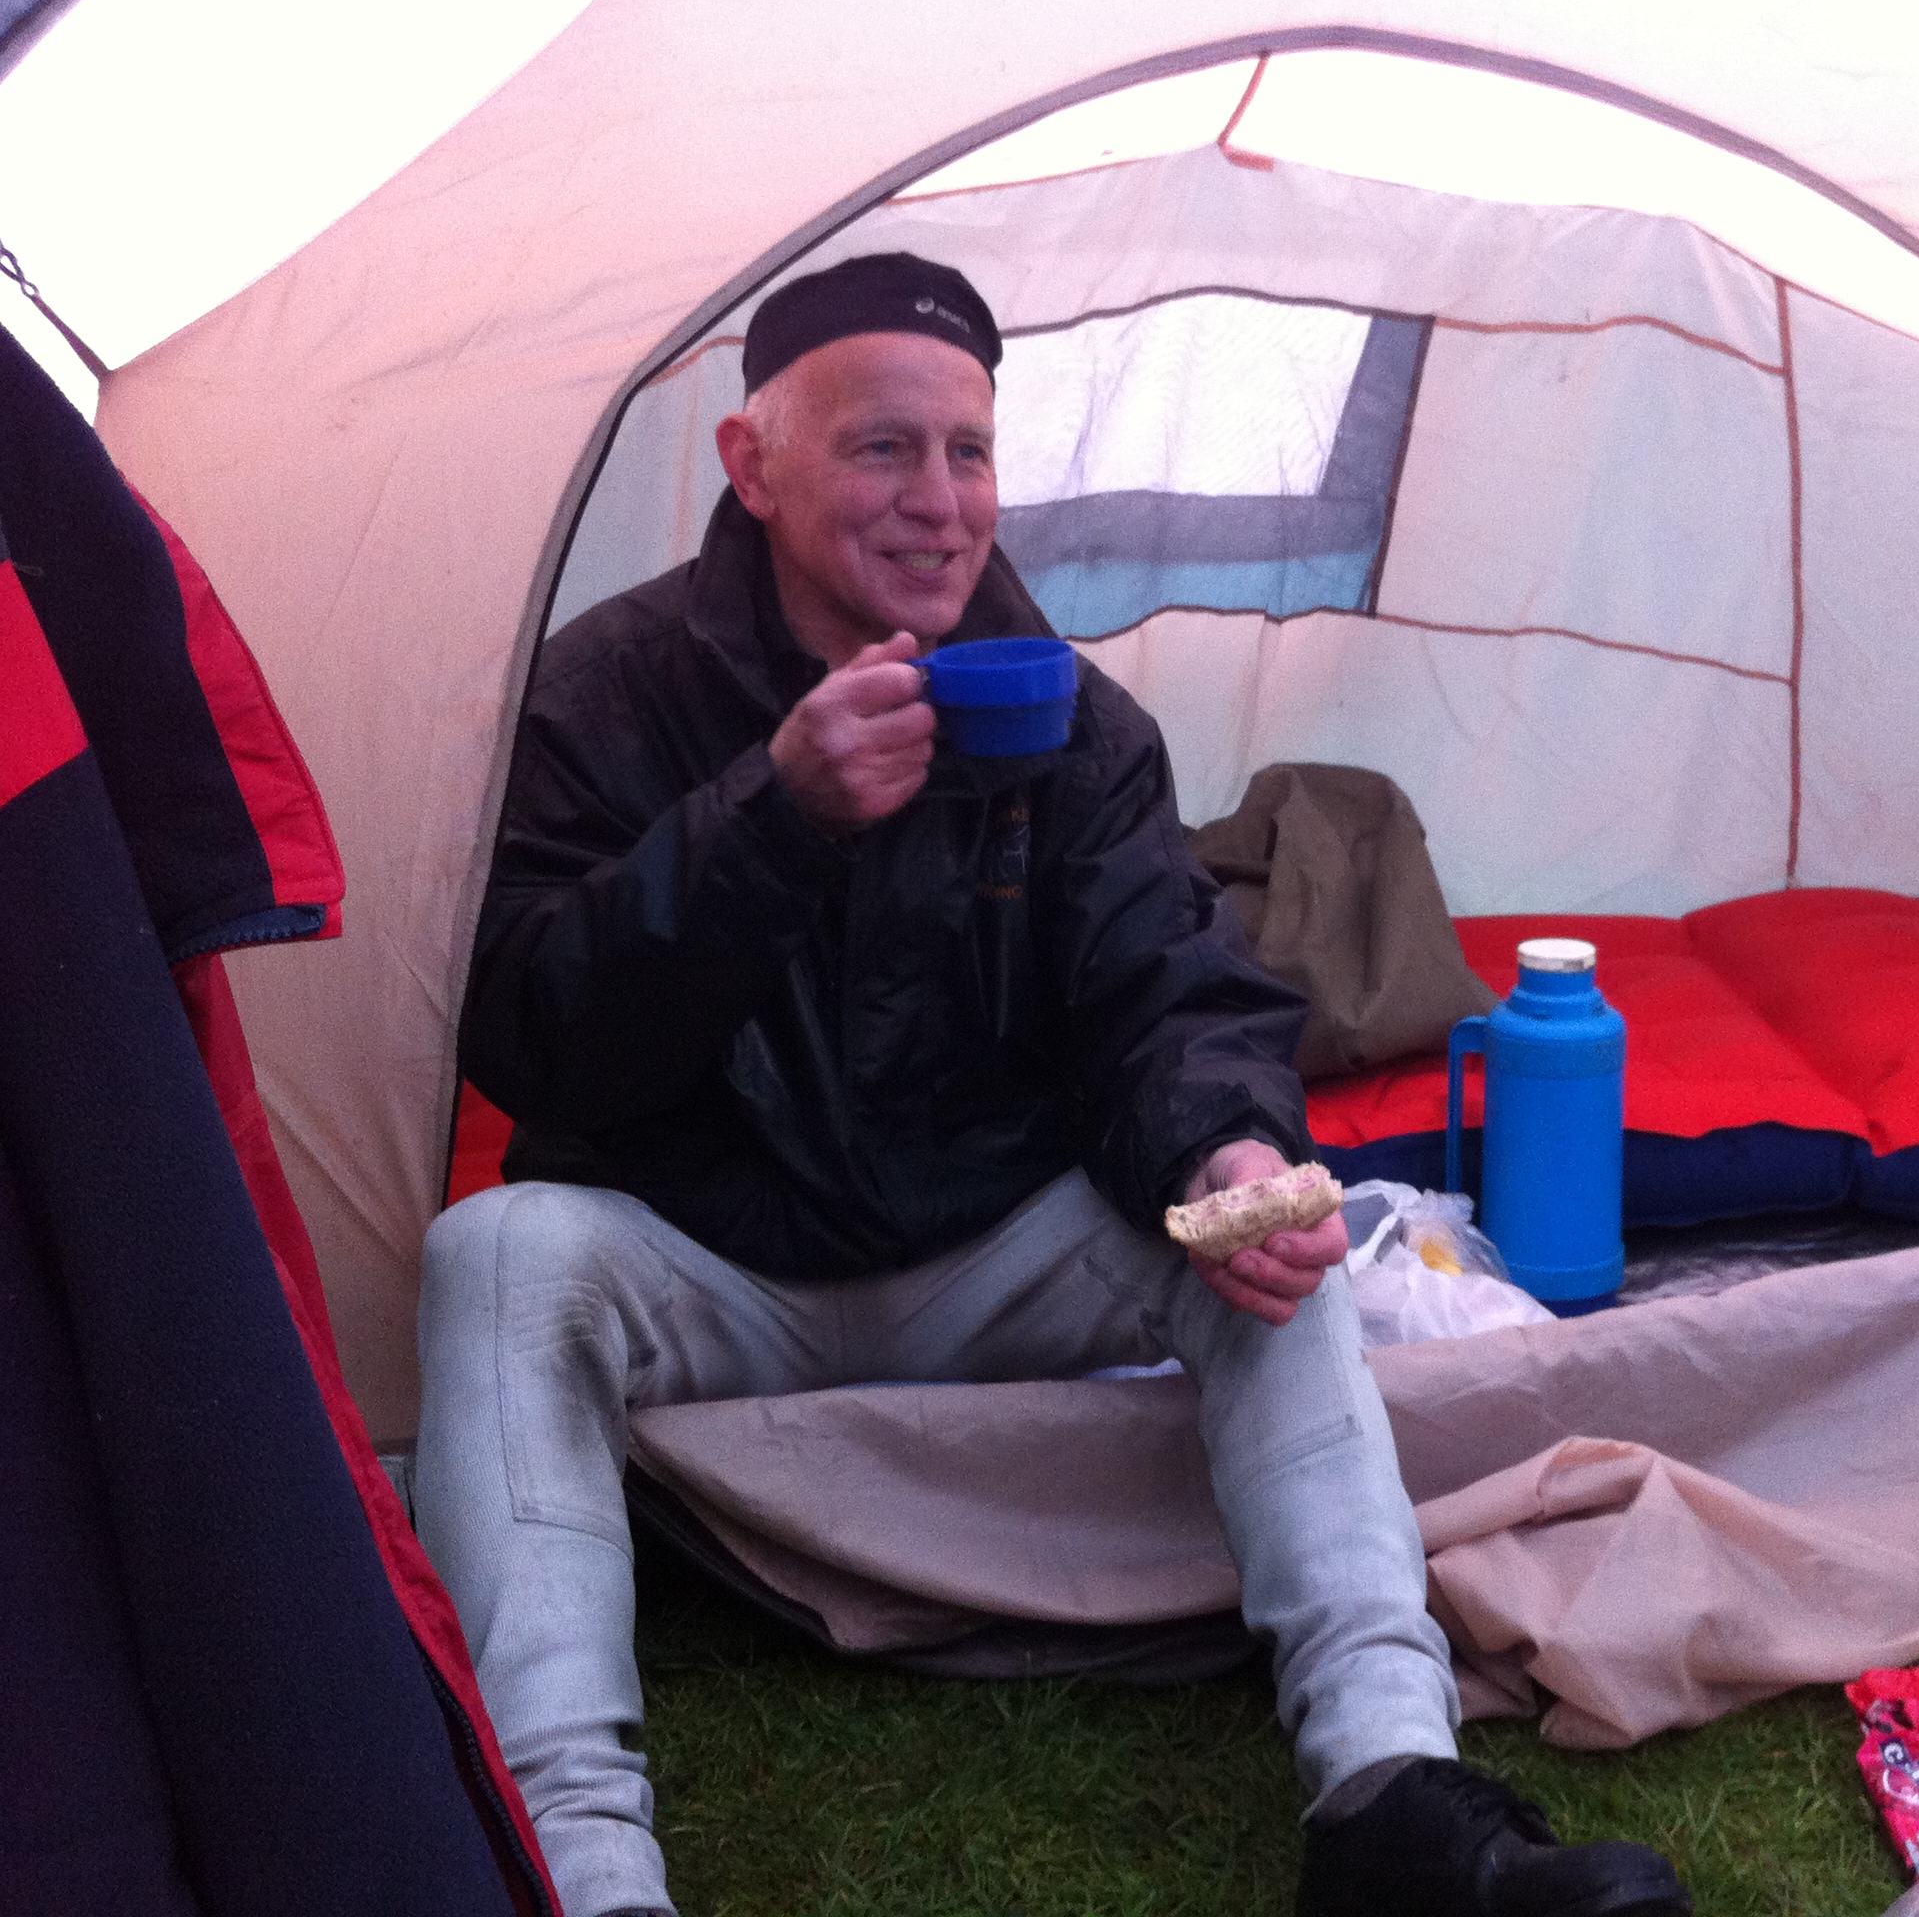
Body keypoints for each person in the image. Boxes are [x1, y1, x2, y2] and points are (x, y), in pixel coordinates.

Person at [414, 253, 1692, 1917]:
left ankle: (1391, 1793)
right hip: (715, 1257)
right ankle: (577, 1865)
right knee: (496, 1255)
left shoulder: (1072, 722)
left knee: (1273, 1237)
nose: (940, 503)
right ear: (754, 465)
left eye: (969, 452)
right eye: (883, 448)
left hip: (989, 1247)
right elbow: (534, 1036)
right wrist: (773, 817)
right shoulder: (610, 692)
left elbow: (1166, 990)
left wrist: (1230, 1151)